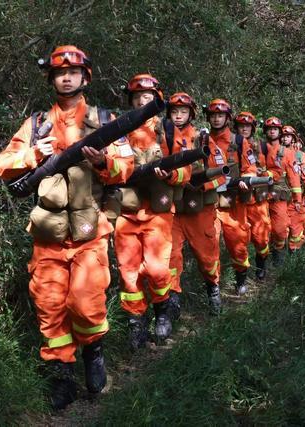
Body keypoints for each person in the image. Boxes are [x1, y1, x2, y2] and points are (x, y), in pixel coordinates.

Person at [0, 45, 134, 409]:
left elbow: (127, 167)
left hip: (90, 232)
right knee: (50, 305)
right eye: (60, 73)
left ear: (85, 77)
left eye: (73, 72)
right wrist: (33, 155)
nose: (66, 78)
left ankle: (94, 352)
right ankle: (62, 376)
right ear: (52, 79)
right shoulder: (37, 123)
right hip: (48, 236)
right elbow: (3, 165)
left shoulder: (104, 119)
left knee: (85, 303)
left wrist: (103, 162)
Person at [115, 73, 177, 348]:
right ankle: (135, 322)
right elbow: (110, 163)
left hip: (157, 213)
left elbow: (186, 167)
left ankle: (162, 311)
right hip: (127, 211)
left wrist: (171, 174)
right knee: (128, 272)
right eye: (138, 97)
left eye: (148, 96)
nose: (143, 101)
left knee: (156, 268)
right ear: (131, 100)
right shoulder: (119, 128)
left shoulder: (168, 129)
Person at [168, 93, 223, 314]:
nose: (178, 115)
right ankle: (172, 301)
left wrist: (203, 185)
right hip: (173, 210)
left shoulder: (203, 139)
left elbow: (222, 174)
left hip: (200, 211)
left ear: (191, 114)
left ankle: (213, 289)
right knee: (170, 256)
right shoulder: (162, 136)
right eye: (174, 111)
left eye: (183, 111)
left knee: (207, 257)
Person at [205, 99, 258, 295]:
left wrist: (247, 179)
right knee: (209, 244)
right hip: (209, 201)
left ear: (227, 118)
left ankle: (241, 278)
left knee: (238, 244)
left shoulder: (239, 142)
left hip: (233, 202)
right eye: (213, 115)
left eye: (220, 115)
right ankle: (213, 289)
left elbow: (251, 167)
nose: (216, 119)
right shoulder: (202, 140)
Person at [234, 112, 270, 280]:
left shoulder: (263, 147)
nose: (244, 129)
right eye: (241, 126)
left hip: (257, 201)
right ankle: (241, 278)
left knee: (261, 238)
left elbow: (277, 169)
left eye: (247, 126)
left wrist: (263, 174)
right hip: (237, 200)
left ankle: (261, 264)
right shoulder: (231, 144)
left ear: (253, 128)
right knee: (238, 239)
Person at [261, 117, 290, 265]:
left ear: (279, 132)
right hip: (259, 193)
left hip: (279, 194)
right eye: (270, 129)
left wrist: (299, 198)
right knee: (261, 229)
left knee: (279, 228)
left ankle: (279, 251)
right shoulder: (258, 148)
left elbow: (294, 177)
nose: (272, 131)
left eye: (275, 129)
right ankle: (263, 259)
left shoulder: (287, 152)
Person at [287, 129, 305, 251]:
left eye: (288, 137)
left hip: (297, 198)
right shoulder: (277, 153)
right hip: (281, 197)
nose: (285, 139)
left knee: (298, 224)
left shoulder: (301, 157)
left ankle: (296, 249)